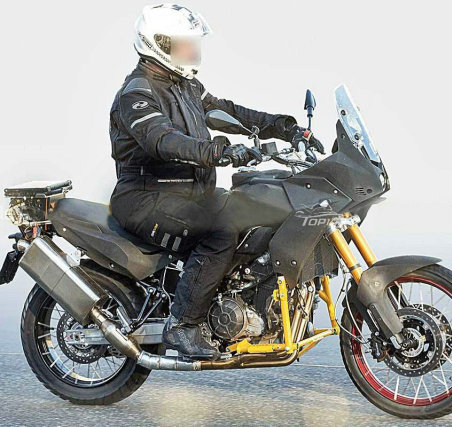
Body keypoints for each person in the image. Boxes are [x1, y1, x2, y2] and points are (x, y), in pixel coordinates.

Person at [109, 4, 323, 359]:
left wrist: (284, 127)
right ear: (159, 44)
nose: (192, 51)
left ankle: (252, 306)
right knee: (219, 232)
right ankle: (182, 326)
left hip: (190, 195)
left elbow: (229, 112)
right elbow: (162, 140)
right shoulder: (137, 94)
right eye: (184, 44)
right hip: (147, 199)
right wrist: (218, 152)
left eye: (193, 43)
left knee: (259, 207)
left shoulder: (186, 86)